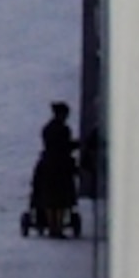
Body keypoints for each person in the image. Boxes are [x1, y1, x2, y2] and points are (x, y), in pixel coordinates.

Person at [27, 101, 81, 238]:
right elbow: (65, 147)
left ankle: (52, 226)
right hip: (61, 166)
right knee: (61, 200)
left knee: (48, 198)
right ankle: (57, 226)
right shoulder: (64, 129)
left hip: (47, 165)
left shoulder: (47, 129)